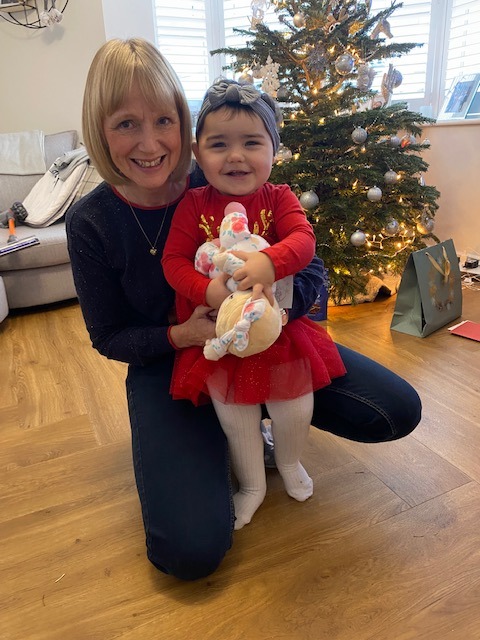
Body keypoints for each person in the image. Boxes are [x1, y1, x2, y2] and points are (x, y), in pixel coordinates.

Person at [66, 37, 422, 581]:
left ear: (185, 127)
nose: (149, 142)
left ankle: (265, 431)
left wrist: (273, 308)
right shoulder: (92, 221)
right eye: (126, 124)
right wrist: (183, 335)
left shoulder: (222, 176)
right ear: (99, 129)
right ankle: (228, 441)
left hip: (270, 339)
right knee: (190, 550)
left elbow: (312, 268)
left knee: (395, 409)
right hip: (172, 362)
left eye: (163, 120)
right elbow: (108, 335)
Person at [161, 79, 347, 529]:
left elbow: (304, 240)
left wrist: (269, 262)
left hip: (278, 331)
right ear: (198, 154)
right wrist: (208, 292)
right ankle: (251, 485)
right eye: (219, 144)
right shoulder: (192, 204)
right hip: (222, 333)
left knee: (294, 406)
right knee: (236, 417)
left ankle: (289, 461)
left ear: (273, 150)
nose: (235, 156)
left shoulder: (279, 197)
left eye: (251, 142)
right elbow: (173, 261)